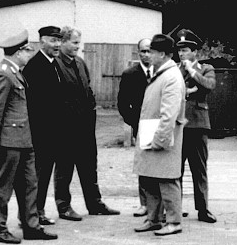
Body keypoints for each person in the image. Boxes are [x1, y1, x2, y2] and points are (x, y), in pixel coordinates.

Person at [0, 28, 58, 244]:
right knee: (3, 187)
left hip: (24, 139)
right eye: (27, 51)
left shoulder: (15, 72)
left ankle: (31, 226)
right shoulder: (4, 74)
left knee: (29, 184)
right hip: (9, 141)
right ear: (19, 52)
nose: (29, 55)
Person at [54, 26, 120, 219]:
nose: (78, 46)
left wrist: (91, 111)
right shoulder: (56, 65)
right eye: (74, 43)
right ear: (63, 42)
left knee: (89, 167)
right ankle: (63, 206)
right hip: (66, 128)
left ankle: (95, 203)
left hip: (85, 127)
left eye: (79, 43)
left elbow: (88, 89)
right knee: (64, 168)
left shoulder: (80, 63)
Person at [133, 33, 186, 236]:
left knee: (167, 180)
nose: (148, 55)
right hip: (152, 134)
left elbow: (169, 114)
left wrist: (161, 139)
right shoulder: (163, 73)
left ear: (162, 54)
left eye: (152, 52)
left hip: (162, 138)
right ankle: (153, 218)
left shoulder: (171, 77)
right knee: (150, 178)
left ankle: (174, 222)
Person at [22, 25, 64, 226]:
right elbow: (34, 105)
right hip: (40, 133)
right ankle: (30, 215)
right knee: (35, 176)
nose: (57, 45)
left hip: (52, 133)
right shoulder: (35, 66)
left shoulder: (53, 64)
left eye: (59, 40)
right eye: (53, 40)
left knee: (44, 174)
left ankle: (38, 211)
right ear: (42, 41)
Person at [176, 29, 217, 223]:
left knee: (199, 169)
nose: (181, 54)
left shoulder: (205, 68)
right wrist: (191, 90)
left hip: (198, 124)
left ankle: (203, 209)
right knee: (176, 169)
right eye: (179, 50)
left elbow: (209, 85)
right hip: (179, 124)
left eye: (185, 50)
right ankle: (175, 208)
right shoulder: (173, 69)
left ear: (194, 52)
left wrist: (192, 72)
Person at [117, 38, 153, 217]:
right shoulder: (130, 74)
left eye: (149, 50)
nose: (146, 55)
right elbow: (123, 104)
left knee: (163, 164)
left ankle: (164, 204)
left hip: (162, 124)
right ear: (138, 53)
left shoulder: (162, 71)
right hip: (142, 125)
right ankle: (144, 204)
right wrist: (135, 122)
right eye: (143, 51)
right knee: (144, 165)